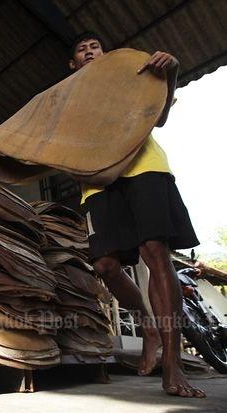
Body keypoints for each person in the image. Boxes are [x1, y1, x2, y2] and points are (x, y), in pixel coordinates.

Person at [68, 31, 205, 398]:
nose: (89, 51)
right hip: (98, 180)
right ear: (73, 64)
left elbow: (158, 119)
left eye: (94, 46)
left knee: (155, 251)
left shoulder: (131, 77)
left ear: (106, 53)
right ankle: (147, 326)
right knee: (105, 266)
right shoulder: (68, 98)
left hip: (144, 168)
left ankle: (172, 363)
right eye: (82, 50)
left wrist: (172, 73)